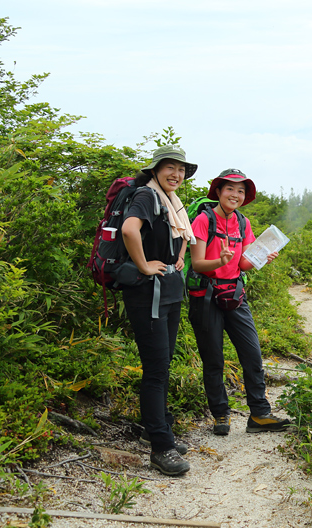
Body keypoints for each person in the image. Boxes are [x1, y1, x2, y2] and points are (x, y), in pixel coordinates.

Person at [188, 168, 293, 435]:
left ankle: (259, 414)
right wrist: (220, 261)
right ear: (219, 192)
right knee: (213, 359)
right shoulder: (203, 220)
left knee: (252, 354)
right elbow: (198, 263)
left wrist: (262, 257)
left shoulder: (243, 223)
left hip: (235, 295)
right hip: (206, 297)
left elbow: (243, 263)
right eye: (230, 189)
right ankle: (221, 415)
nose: (235, 194)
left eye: (241, 190)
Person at [120, 145, 197, 476]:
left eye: (180, 169)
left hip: (167, 292)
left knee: (163, 364)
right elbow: (128, 229)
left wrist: (177, 258)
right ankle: (161, 447)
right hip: (147, 294)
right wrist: (143, 264)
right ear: (155, 170)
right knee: (156, 369)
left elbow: (182, 233)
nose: (176, 174)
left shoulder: (173, 202)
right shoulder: (147, 197)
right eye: (169, 167)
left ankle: (160, 428)